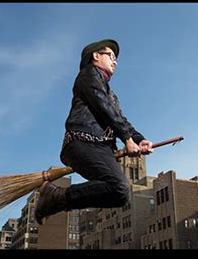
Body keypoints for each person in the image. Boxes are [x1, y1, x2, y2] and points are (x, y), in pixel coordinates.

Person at [35, 39, 153, 225]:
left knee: (121, 194)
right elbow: (103, 106)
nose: (115, 62)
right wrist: (127, 139)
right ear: (96, 56)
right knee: (119, 187)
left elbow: (120, 119)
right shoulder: (88, 75)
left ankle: (55, 199)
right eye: (111, 56)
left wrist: (140, 140)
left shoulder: (112, 95)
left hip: (100, 146)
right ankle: (54, 194)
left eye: (116, 59)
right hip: (83, 143)